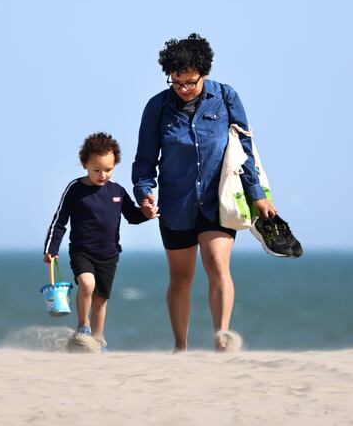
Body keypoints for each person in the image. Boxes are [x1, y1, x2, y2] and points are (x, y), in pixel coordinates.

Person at [132, 33, 276, 352]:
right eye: (176, 82)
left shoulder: (226, 97)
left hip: (218, 202)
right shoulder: (157, 107)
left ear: (204, 73)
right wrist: (144, 193)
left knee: (216, 263)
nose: (183, 89)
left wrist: (258, 195)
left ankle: (221, 337)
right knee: (181, 278)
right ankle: (180, 345)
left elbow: (244, 150)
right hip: (175, 205)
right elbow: (144, 160)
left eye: (190, 82)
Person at [44, 132, 155, 351]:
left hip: (109, 255)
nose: (102, 174)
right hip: (82, 252)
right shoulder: (74, 189)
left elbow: (133, 216)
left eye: (108, 169)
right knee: (87, 284)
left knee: (101, 300)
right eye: (96, 170)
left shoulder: (118, 192)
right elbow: (59, 221)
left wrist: (148, 213)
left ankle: (98, 340)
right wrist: (51, 248)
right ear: (85, 164)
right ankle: (82, 327)